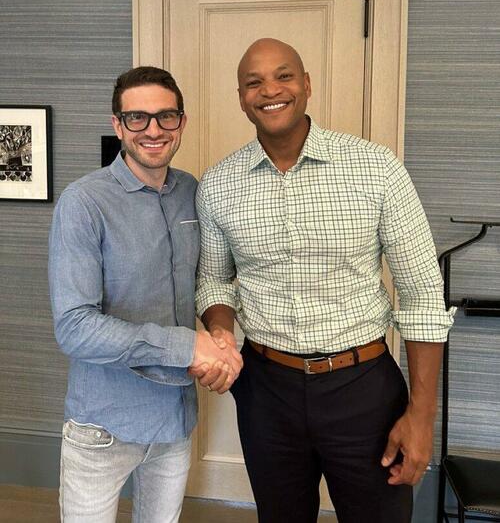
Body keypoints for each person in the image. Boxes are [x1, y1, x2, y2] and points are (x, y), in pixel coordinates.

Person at [192, 39, 455, 523]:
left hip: (363, 388)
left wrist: (422, 417)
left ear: (307, 84)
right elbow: (214, 281)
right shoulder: (218, 183)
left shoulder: (376, 168)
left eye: (284, 76)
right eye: (254, 82)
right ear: (241, 97)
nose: (270, 90)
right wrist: (222, 331)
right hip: (266, 390)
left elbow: (422, 297)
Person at [48, 66, 242, 523]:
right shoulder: (84, 203)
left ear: (181, 122)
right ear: (118, 125)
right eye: (137, 117)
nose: (153, 130)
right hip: (103, 426)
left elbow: (209, 280)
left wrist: (219, 335)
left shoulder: (192, 191)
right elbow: (74, 327)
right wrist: (188, 345)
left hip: (174, 420)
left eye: (165, 116)